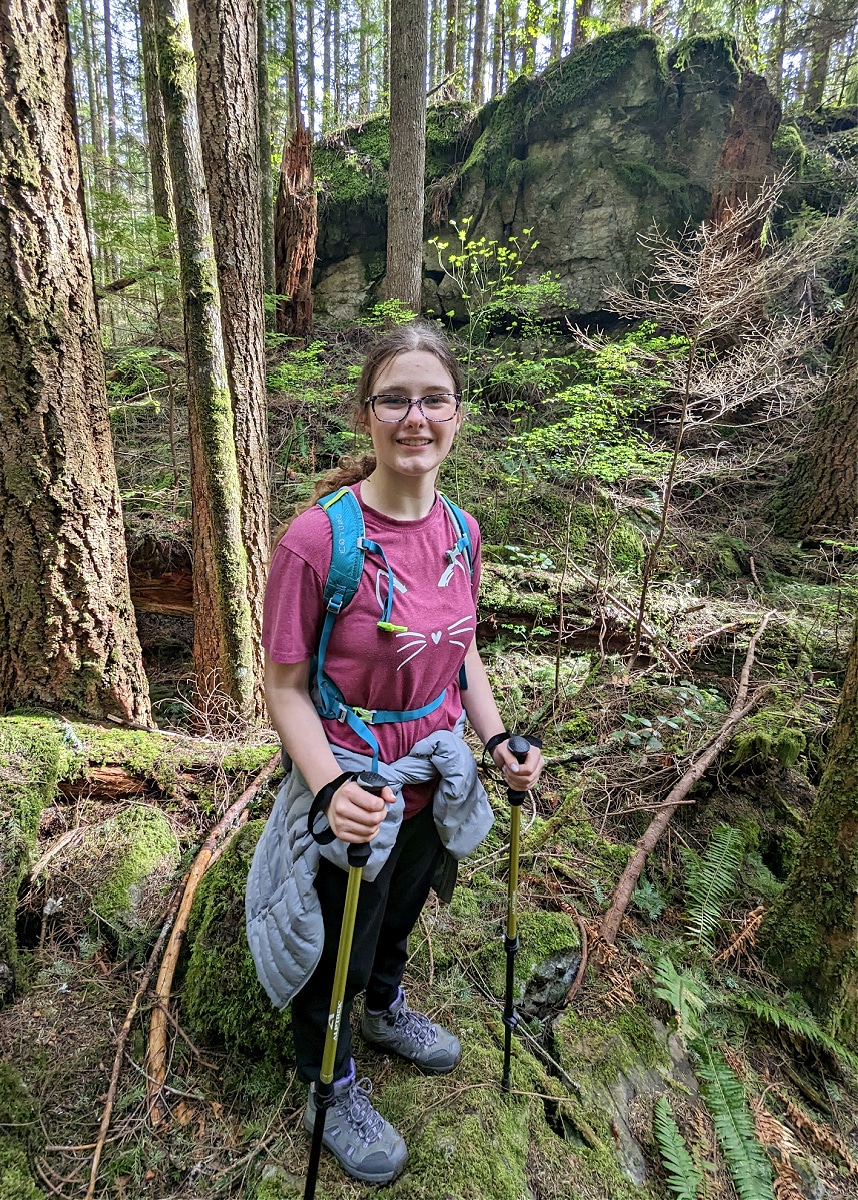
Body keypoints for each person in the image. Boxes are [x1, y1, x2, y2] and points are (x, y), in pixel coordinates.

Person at [245, 322, 544, 1186]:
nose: (416, 417)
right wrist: (331, 785)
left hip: (434, 774)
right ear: (367, 415)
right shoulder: (317, 540)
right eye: (395, 399)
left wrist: (497, 741)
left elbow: (464, 650)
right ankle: (328, 1083)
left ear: (457, 414)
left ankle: (381, 1009)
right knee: (335, 934)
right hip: (355, 781)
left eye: (434, 399)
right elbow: (285, 686)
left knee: (400, 912)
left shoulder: (462, 531)